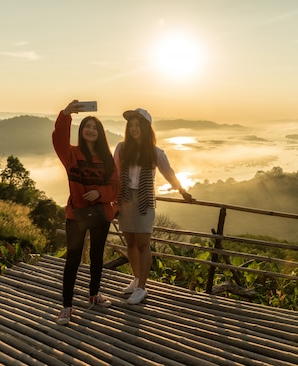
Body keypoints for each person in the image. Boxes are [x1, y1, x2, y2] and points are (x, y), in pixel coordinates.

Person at [114, 108, 193, 305]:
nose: (134, 129)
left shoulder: (155, 152)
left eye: (137, 125)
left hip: (144, 200)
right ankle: (136, 279)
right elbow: (114, 173)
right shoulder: (122, 148)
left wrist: (182, 191)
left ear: (146, 128)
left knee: (142, 244)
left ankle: (142, 287)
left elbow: (169, 173)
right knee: (130, 242)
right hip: (124, 198)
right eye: (131, 126)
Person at [52, 100, 120, 325]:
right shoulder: (71, 154)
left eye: (95, 128)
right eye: (87, 127)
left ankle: (94, 294)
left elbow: (116, 188)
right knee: (72, 260)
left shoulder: (107, 159)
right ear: (82, 132)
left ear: (100, 133)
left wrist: (99, 193)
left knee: (97, 256)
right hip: (76, 214)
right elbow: (58, 139)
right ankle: (67, 306)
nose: (90, 130)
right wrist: (66, 114)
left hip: (100, 213)